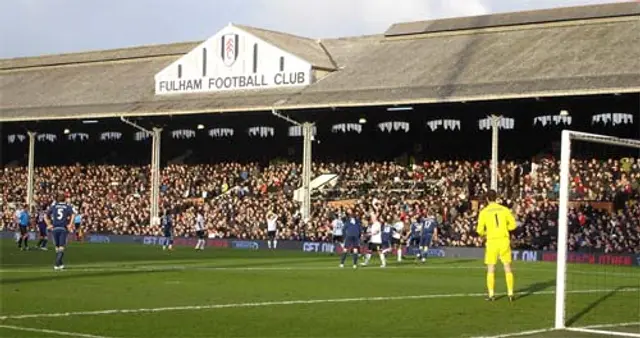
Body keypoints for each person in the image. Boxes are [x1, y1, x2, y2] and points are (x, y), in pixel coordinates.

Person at [476, 189, 517, 302]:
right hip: (504, 240)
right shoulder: (504, 210)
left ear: (487, 199)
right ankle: (510, 293)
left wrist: (486, 233)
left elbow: (479, 230)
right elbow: (513, 225)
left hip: (492, 241)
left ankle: (491, 294)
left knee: (491, 268)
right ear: (496, 198)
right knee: (507, 267)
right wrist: (504, 229)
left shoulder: (484, 212)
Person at [45, 194, 75, 270]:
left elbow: (45, 216)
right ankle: (57, 263)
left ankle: (60, 264)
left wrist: (49, 224)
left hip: (54, 228)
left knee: (57, 247)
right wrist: (70, 225)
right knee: (61, 247)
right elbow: (73, 215)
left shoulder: (54, 206)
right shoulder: (67, 207)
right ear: (64, 199)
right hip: (63, 228)